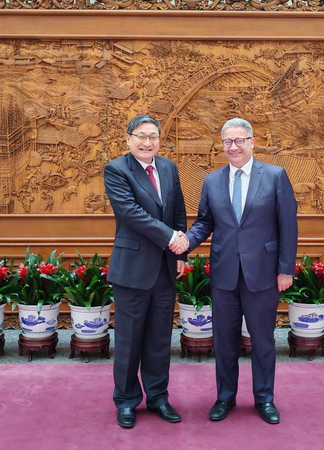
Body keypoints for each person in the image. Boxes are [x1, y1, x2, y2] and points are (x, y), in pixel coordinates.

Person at [171, 117, 298, 424]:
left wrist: (285, 270)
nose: (234, 147)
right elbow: (205, 222)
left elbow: (288, 226)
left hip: (263, 274)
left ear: (252, 142)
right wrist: (184, 243)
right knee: (224, 342)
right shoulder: (212, 180)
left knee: (263, 342)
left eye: (240, 140)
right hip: (225, 275)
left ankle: (264, 399)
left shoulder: (275, 176)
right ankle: (225, 397)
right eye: (228, 141)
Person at [104, 114, 188, 429]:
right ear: (129, 138)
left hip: (165, 269)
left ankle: (158, 398)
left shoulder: (168, 168)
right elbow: (131, 213)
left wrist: (181, 251)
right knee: (129, 341)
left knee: (158, 339)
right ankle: (126, 401)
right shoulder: (116, 169)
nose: (147, 142)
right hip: (133, 270)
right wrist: (170, 238)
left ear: (159, 140)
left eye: (153, 136)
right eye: (141, 135)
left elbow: (178, 211)